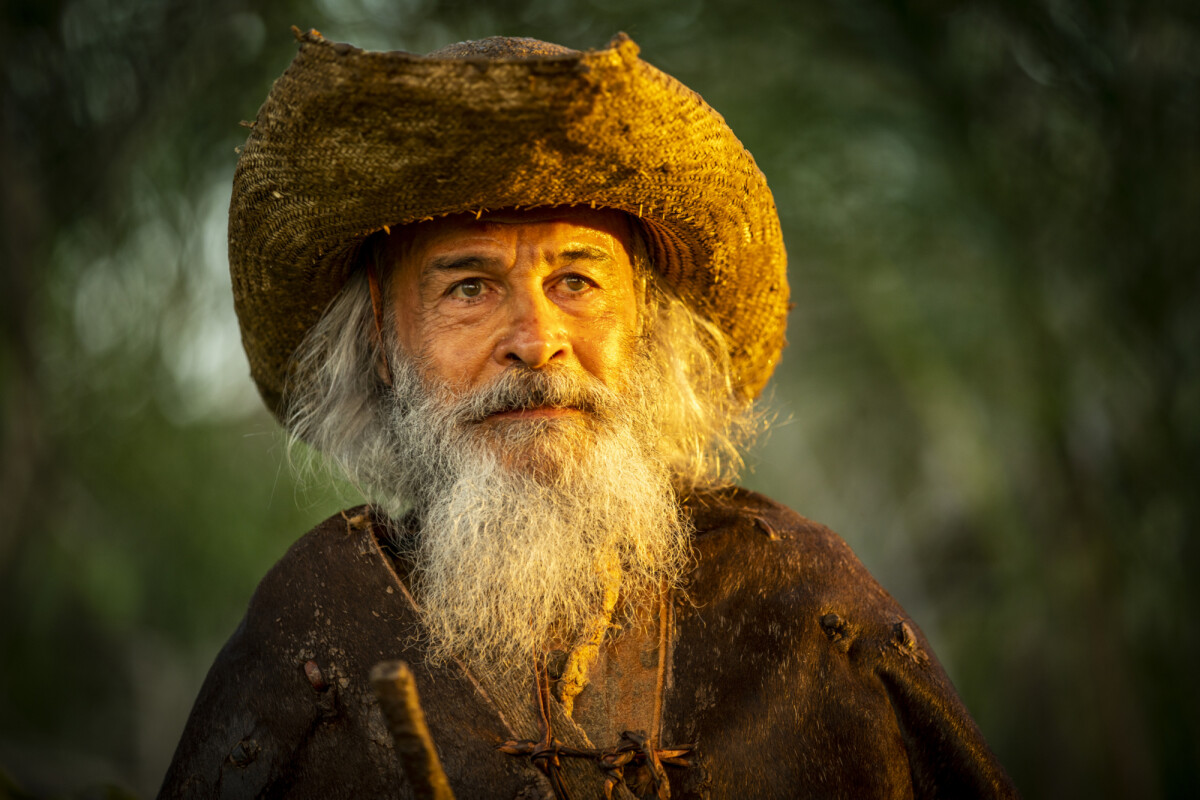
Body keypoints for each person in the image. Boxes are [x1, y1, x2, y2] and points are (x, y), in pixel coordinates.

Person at [159, 30, 1018, 800]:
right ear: (382, 342)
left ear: (644, 326)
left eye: (577, 281)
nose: (537, 342)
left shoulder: (801, 611)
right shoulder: (319, 637)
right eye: (469, 288)